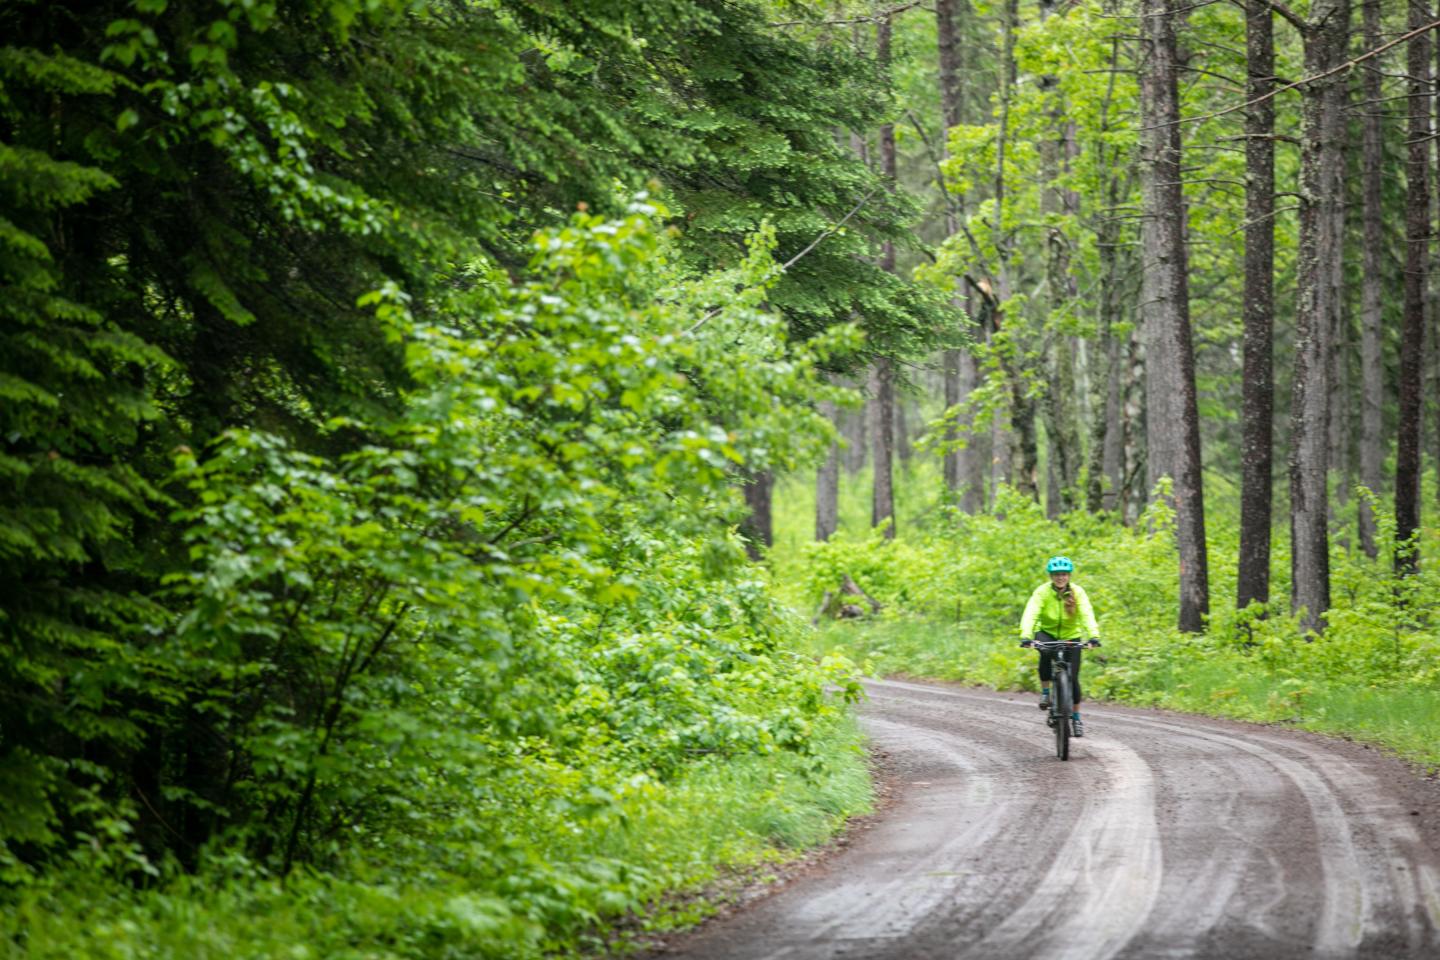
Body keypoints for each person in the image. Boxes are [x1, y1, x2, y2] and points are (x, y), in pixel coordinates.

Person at [1018, 556, 1101, 737]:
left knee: (1073, 679)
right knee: (1045, 654)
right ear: (1051, 576)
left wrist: (1094, 635)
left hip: (1071, 636)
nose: (1060, 578)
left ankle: (1077, 717)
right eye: (1056, 575)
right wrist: (1025, 635)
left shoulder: (1078, 592)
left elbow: (1087, 614)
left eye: (1063, 574)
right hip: (1047, 633)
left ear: (1069, 575)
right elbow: (1031, 613)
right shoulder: (1042, 592)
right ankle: (1046, 692)